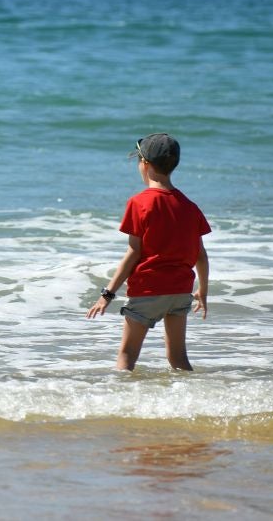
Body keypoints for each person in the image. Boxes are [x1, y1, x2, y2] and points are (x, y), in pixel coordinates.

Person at [86, 133, 210, 371]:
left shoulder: (140, 203)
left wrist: (107, 294)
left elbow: (133, 253)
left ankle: (119, 400)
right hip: (180, 291)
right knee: (178, 358)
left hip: (148, 290)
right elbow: (200, 255)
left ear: (145, 164)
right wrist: (202, 290)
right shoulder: (190, 206)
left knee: (127, 355)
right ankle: (193, 399)